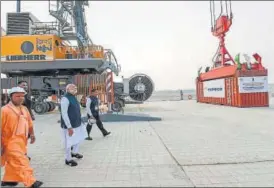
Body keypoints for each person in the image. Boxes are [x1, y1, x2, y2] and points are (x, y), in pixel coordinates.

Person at [1, 87, 43, 187]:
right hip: (9, 142)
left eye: (22, 96)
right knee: (22, 161)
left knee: (13, 162)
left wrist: (32, 134)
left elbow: (29, 123)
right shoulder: (4, 110)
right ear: (11, 97)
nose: (20, 98)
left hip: (22, 141)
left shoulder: (24, 109)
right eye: (17, 96)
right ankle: (31, 182)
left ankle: (9, 180)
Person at [60, 84, 87, 167]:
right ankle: (68, 159)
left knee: (78, 138)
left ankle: (74, 153)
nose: (75, 89)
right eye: (73, 88)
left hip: (77, 123)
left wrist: (81, 120)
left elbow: (76, 110)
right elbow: (64, 114)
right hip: (70, 125)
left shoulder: (73, 97)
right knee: (68, 142)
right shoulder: (65, 98)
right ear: (67, 89)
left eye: (75, 88)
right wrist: (69, 127)